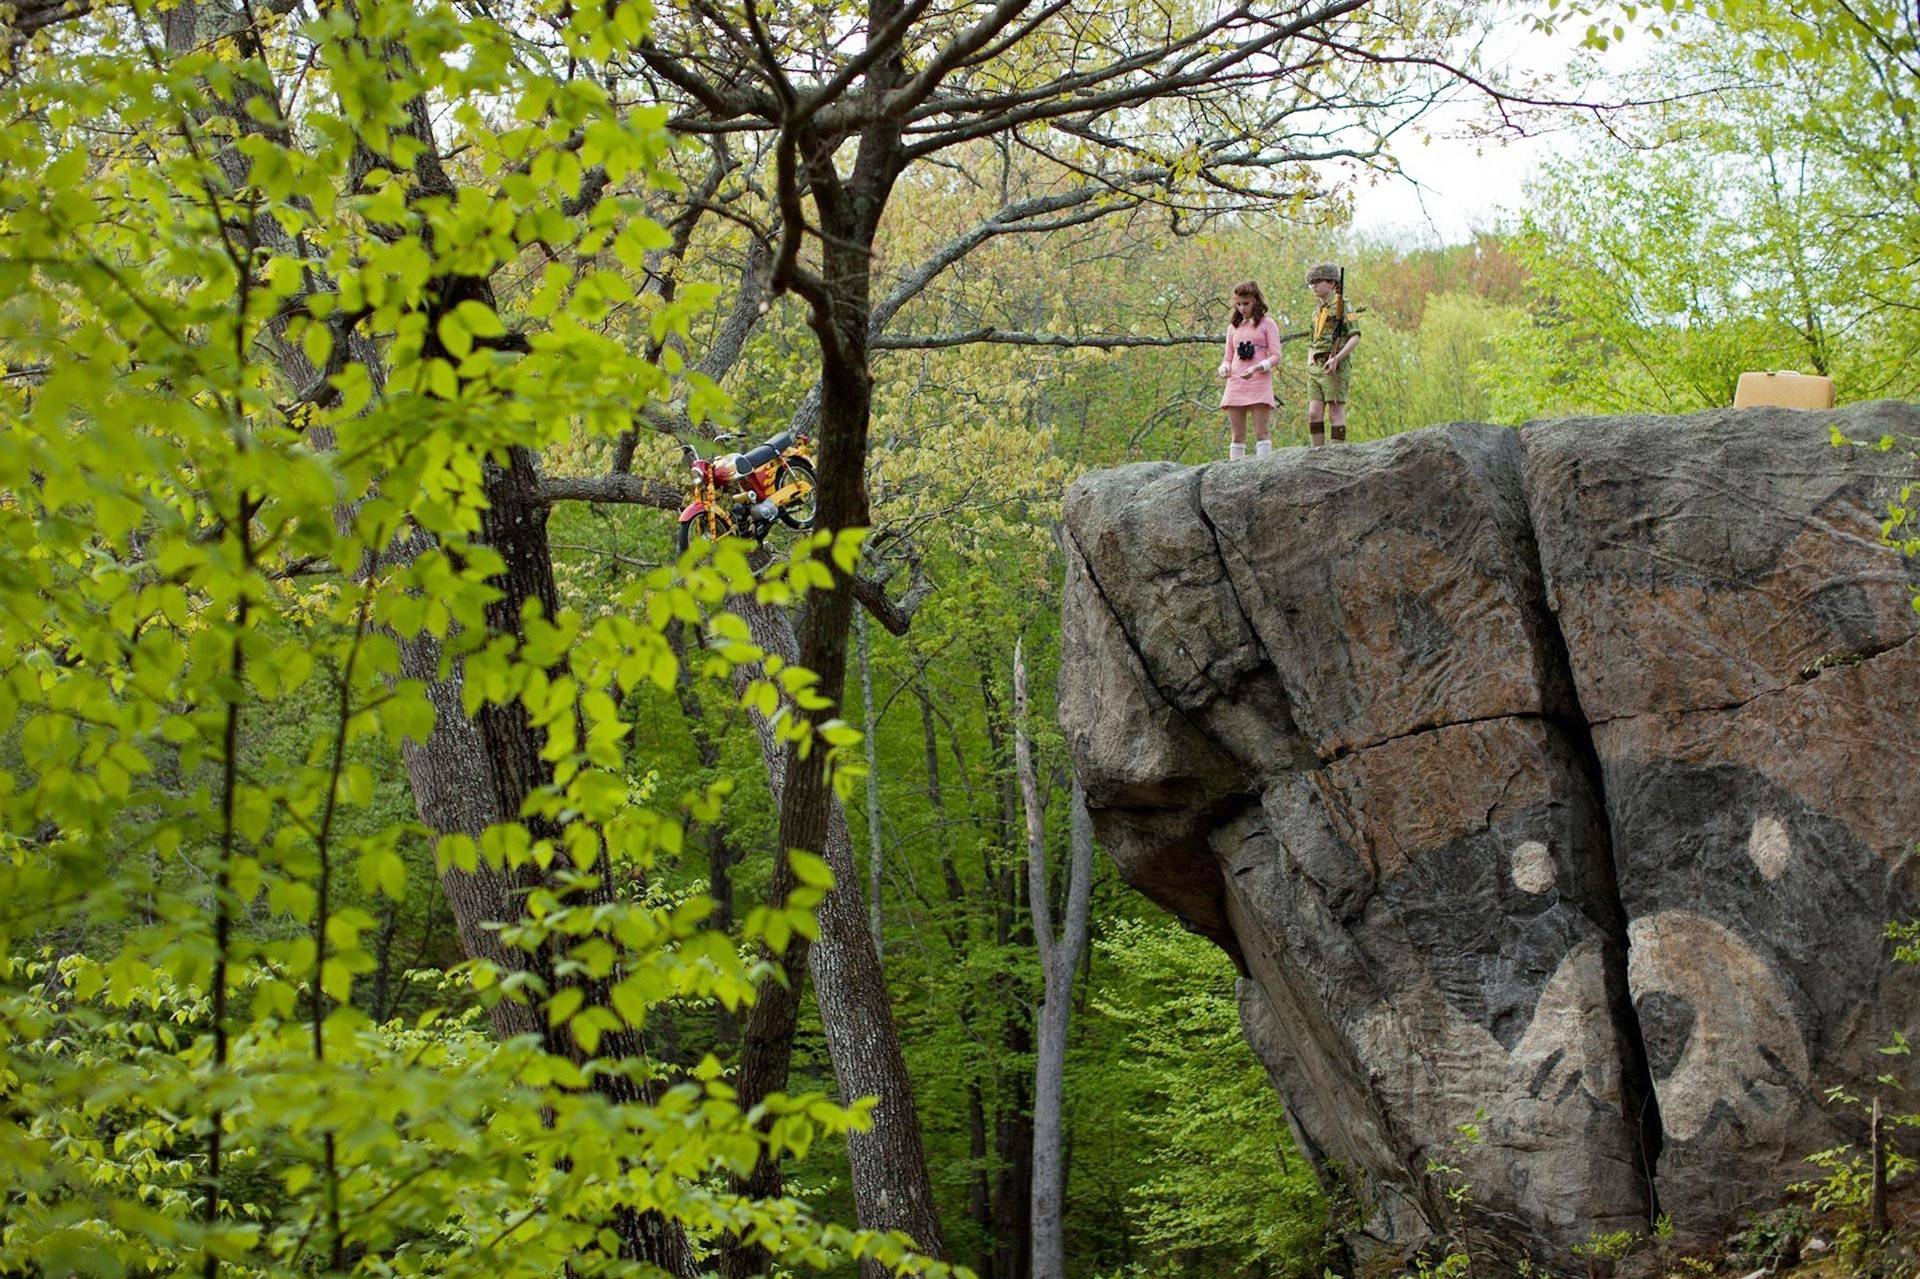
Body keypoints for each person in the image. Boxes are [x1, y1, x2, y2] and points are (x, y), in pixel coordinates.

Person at [1217, 280, 1283, 459]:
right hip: (1236, 382)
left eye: (1245, 303)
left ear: (1255, 301)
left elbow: (1276, 356)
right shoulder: (1233, 328)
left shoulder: (1268, 324)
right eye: (1238, 304)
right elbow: (1228, 358)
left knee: (1261, 432)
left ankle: (1263, 469)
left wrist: (1259, 367)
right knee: (1237, 435)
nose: (1242, 308)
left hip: (1259, 381)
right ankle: (1235, 471)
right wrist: (1224, 368)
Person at [1304, 263, 1361, 445]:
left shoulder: (1344, 306)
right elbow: (1313, 339)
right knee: (1313, 413)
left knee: (1335, 413)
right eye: (1311, 283)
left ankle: (1336, 455)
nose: (1313, 286)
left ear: (1331, 283)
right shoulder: (1316, 310)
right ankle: (1317, 453)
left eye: (1317, 281)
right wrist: (1309, 361)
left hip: (1335, 364)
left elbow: (1355, 337)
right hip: (1316, 366)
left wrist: (1338, 357)